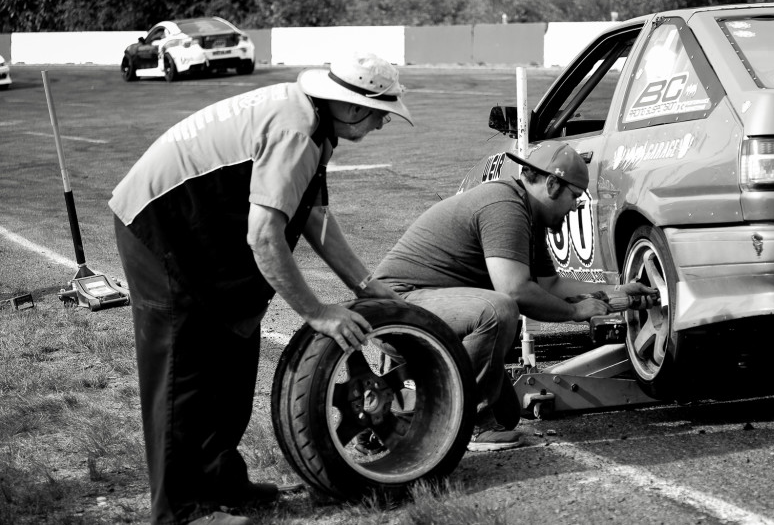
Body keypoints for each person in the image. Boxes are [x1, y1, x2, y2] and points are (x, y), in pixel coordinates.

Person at [110, 52, 409, 525]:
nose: (383, 124)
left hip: (203, 229)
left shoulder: (316, 125)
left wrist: (366, 285)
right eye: (381, 114)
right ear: (352, 107)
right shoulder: (297, 130)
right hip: (161, 227)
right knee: (182, 373)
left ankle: (221, 482)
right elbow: (265, 237)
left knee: (233, 354)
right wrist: (316, 311)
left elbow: (313, 216)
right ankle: (180, 512)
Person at [372, 140, 654, 451]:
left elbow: (550, 288)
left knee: (506, 414)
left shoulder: (528, 215)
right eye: (574, 196)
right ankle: (469, 425)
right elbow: (515, 290)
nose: (575, 206)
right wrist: (575, 313)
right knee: (499, 309)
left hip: (429, 310)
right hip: (399, 308)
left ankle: (400, 410)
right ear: (551, 184)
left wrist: (615, 291)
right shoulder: (504, 206)